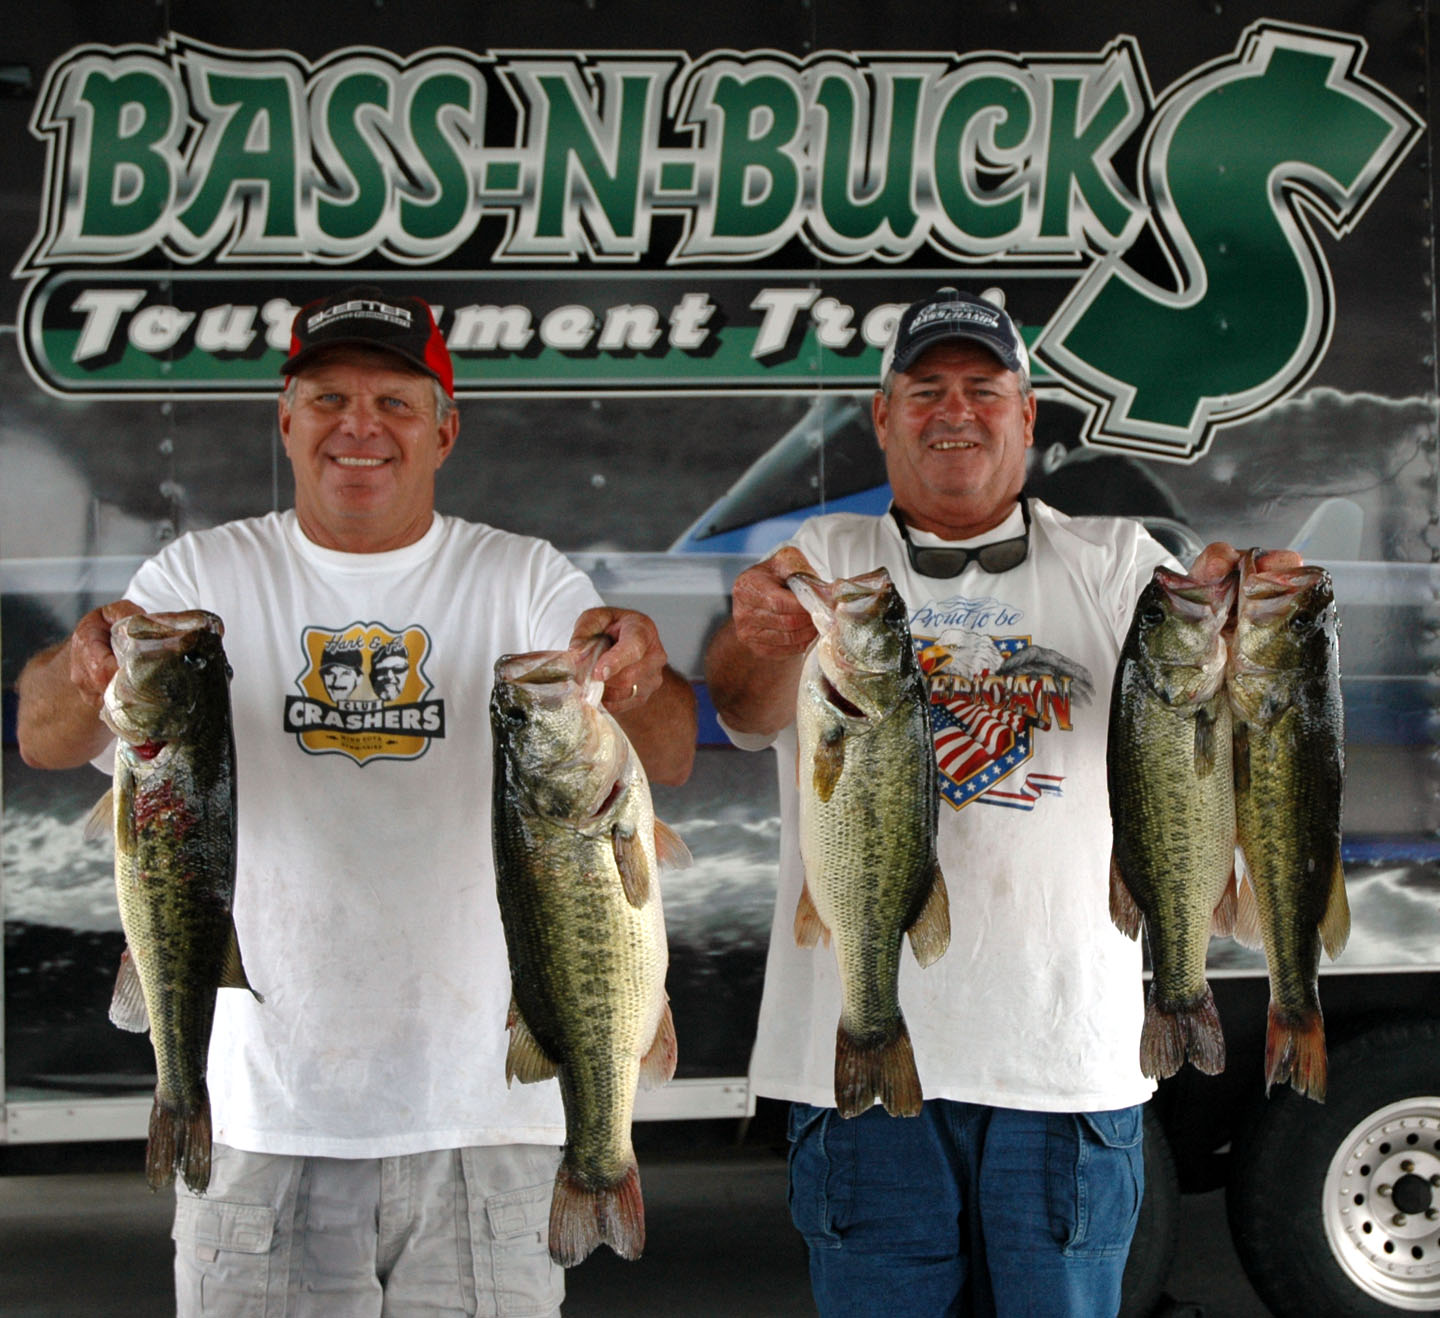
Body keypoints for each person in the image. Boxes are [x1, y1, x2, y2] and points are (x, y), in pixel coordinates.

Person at [16, 284, 696, 1317]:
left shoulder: (520, 577)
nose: (359, 427)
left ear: (445, 428)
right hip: (262, 1118)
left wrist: (637, 664)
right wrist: (80, 667)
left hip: (487, 1120)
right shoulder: (202, 574)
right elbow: (41, 733)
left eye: (395, 401)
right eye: (327, 398)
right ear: (285, 420)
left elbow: (672, 748)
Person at [704, 286, 1256, 1316]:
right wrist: (759, 633)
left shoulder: (1120, 562)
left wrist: (1244, 608)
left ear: (1026, 412)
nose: (953, 410)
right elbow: (740, 705)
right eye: (925, 389)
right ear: (882, 418)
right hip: (860, 1070)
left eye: (981, 387)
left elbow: (1215, 690)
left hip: (1068, 1068)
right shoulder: (819, 563)